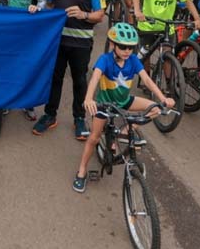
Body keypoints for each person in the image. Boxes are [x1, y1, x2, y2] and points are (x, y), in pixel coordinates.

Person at [72, 23, 175, 193]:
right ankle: (82, 170)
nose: (127, 51)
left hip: (124, 101)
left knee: (155, 108)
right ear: (113, 44)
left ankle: (124, 131)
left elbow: (147, 80)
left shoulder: (133, 60)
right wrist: (89, 98)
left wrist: (163, 98)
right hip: (105, 105)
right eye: (123, 47)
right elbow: (95, 78)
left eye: (130, 47)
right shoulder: (105, 59)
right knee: (94, 138)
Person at [33, 0, 105, 139]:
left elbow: (100, 15)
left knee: (79, 80)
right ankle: (50, 115)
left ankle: (79, 118)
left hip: (81, 42)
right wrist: (36, 9)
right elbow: (48, 5)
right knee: (55, 78)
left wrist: (84, 15)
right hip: (57, 41)